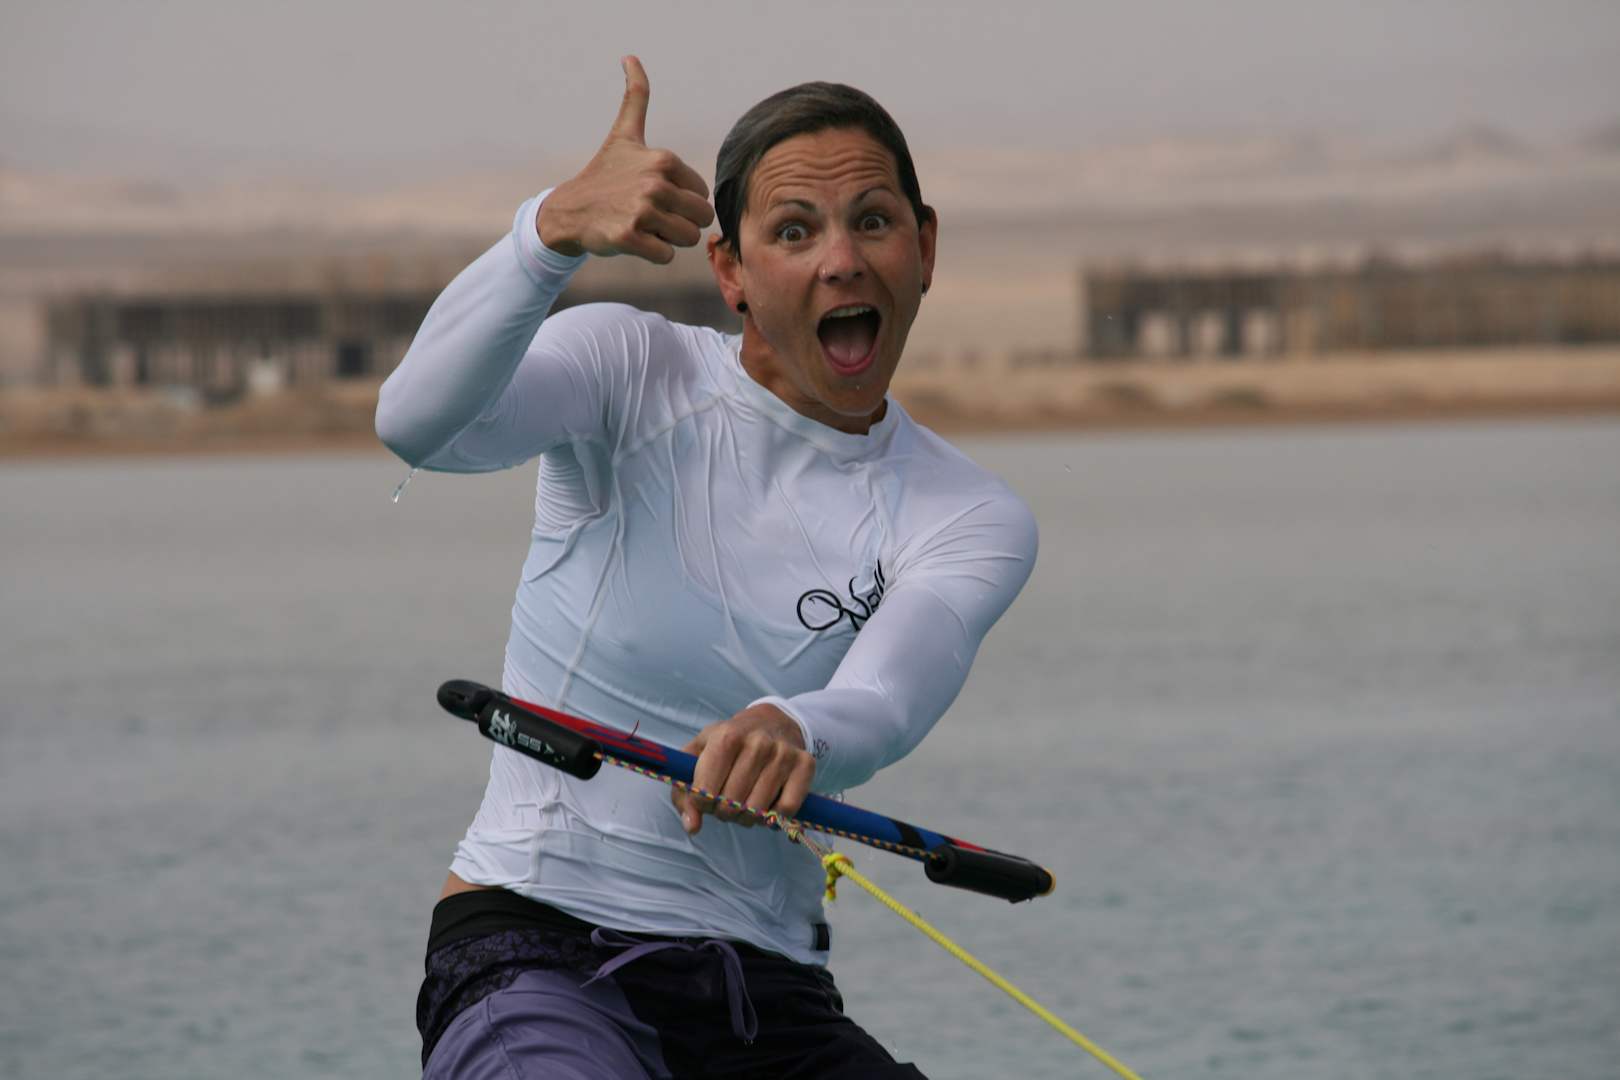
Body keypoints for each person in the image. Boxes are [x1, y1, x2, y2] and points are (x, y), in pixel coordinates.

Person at [377, 56, 1037, 1079]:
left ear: (925, 247)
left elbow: (888, 696)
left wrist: (796, 727)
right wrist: (545, 234)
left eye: (872, 222)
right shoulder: (628, 369)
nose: (841, 261)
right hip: (539, 948)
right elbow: (418, 425)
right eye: (794, 232)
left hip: (765, 995)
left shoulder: (970, 513)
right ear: (730, 272)